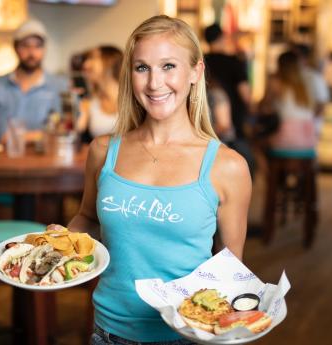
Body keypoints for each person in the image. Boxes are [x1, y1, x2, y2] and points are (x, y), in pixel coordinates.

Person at [67, 15, 251, 344]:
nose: (154, 83)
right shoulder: (103, 151)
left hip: (184, 337)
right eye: (142, 68)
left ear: (196, 72)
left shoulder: (227, 166)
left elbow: (230, 266)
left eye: (168, 66)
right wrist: (59, 246)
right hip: (108, 332)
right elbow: (87, 219)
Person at [0, 19, 62, 145]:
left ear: (45, 49)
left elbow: (66, 133)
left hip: (41, 162)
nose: (31, 52)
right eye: (25, 45)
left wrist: (22, 137)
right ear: (15, 47)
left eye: (38, 46)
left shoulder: (59, 88)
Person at [203, 23, 256, 175]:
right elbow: (245, 95)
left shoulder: (201, 61)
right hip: (233, 124)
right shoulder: (234, 62)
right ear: (223, 37)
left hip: (205, 125)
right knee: (245, 166)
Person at [259, 51, 315, 152]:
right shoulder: (307, 84)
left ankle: (264, 168)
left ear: (280, 65)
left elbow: (262, 107)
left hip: (286, 137)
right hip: (308, 138)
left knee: (256, 144)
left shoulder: (276, 83)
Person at [76, 45, 123, 142]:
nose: (85, 64)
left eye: (92, 58)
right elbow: (77, 134)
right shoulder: (90, 102)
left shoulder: (136, 99)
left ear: (110, 61)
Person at [293, 44, 330, 136]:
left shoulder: (313, 78)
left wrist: (307, 123)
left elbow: (321, 105)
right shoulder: (290, 78)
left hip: (308, 130)